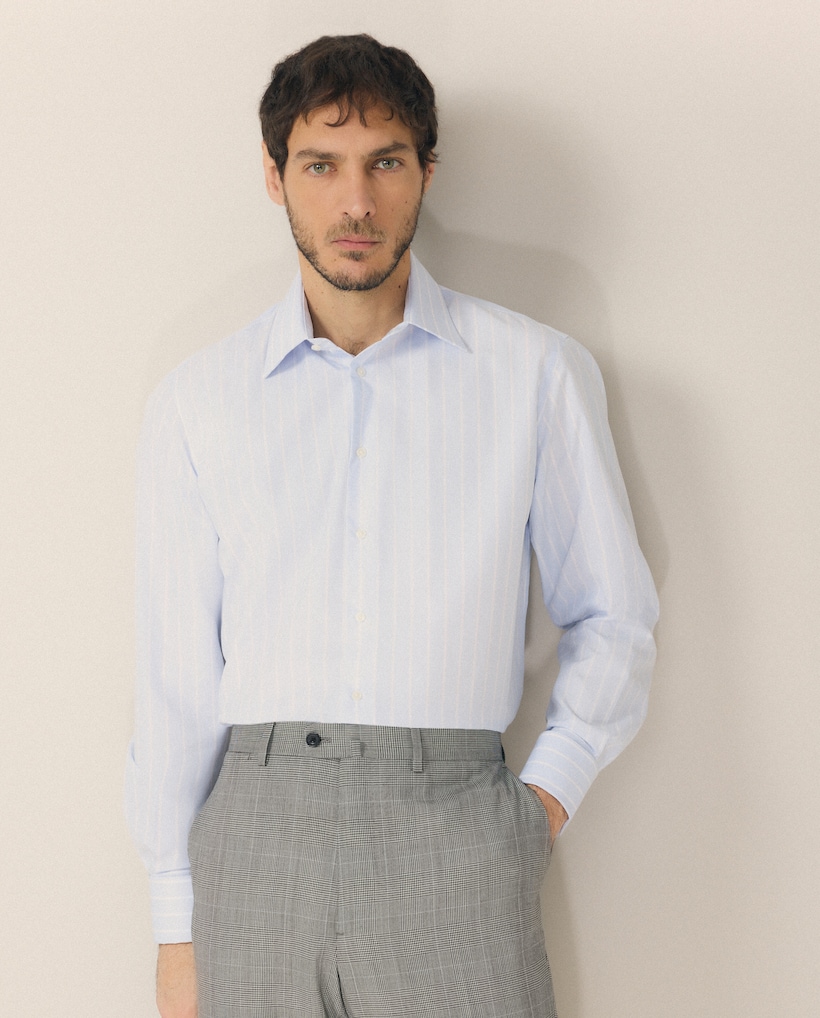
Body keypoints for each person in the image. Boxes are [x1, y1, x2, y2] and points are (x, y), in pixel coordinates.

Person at [126, 33, 658, 1018]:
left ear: (426, 172)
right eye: (319, 165)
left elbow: (614, 614)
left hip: (456, 828)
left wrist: (536, 807)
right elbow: (175, 678)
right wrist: (173, 921)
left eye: (385, 162)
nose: (355, 203)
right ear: (274, 177)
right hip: (254, 840)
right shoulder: (199, 402)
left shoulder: (534, 374)